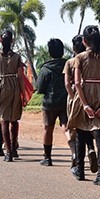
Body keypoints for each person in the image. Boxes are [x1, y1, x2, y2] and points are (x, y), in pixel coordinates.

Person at [71, 25, 100, 185]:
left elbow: (77, 82)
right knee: (99, 135)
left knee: (81, 133)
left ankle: (80, 171)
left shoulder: (80, 57)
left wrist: (84, 105)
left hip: (85, 94)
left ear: (84, 40)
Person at [0, 31, 25, 162]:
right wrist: (23, 94)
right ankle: (13, 149)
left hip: (0, 87)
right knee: (13, 119)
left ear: (0, 41)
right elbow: (21, 78)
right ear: (12, 41)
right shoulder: (17, 57)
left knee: (3, 120)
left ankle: (7, 151)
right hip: (14, 87)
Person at [64, 35, 96, 175]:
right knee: (88, 126)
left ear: (74, 48)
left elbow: (67, 83)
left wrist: (73, 97)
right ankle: (91, 148)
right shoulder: (93, 58)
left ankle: (78, 161)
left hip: (76, 98)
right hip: (91, 96)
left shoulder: (71, 61)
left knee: (76, 130)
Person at [36, 38, 70, 167]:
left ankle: (47, 157)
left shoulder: (46, 68)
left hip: (49, 103)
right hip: (65, 101)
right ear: (62, 51)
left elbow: (39, 88)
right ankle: (74, 152)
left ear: (49, 53)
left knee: (48, 128)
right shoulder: (68, 64)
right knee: (66, 127)